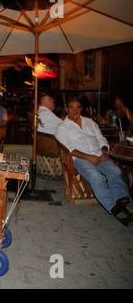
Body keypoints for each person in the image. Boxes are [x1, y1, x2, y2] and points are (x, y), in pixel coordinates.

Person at [55, 97, 133, 227]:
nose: (75, 110)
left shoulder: (89, 122)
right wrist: (88, 157)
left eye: (78, 107)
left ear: (81, 109)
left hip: (98, 154)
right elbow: (70, 149)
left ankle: (124, 202)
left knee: (115, 171)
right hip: (80, 158)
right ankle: (114, 208)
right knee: (96, 177)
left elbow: (101, 138)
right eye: (72, 107)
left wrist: (103, 151)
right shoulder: (62, 127)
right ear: (67, 109)